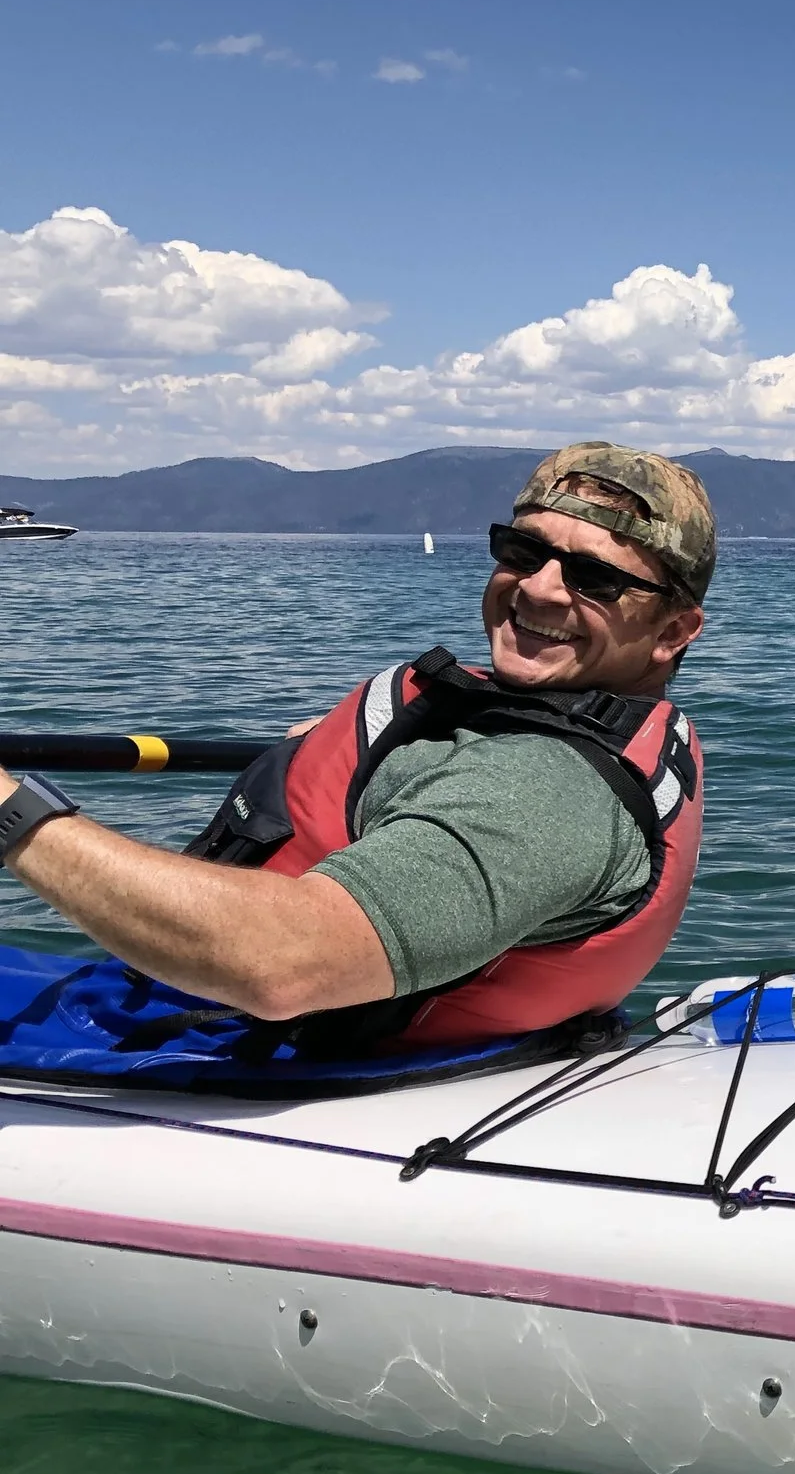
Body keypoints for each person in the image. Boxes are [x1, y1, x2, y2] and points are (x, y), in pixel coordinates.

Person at [0, 441, 715, 1056]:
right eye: (523, 552)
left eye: (595, 578)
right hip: (187, 1011)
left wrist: (13, 811)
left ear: (673, 632)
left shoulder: (541, 793)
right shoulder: (506, 725)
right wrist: (357, 755)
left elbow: (279, 965)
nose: (539, 589)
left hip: (226, 1049)